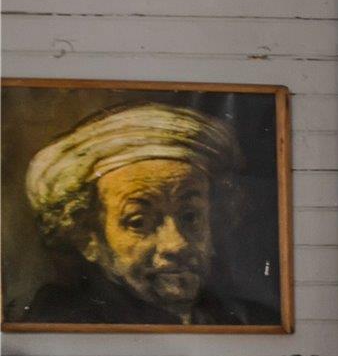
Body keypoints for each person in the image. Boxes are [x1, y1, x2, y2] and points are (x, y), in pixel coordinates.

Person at [18, 101, 268, 325]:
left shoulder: (243, 319)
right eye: (139, 222)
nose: (177, 244)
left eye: (190, 217)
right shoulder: (64, 321)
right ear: (88, 237)